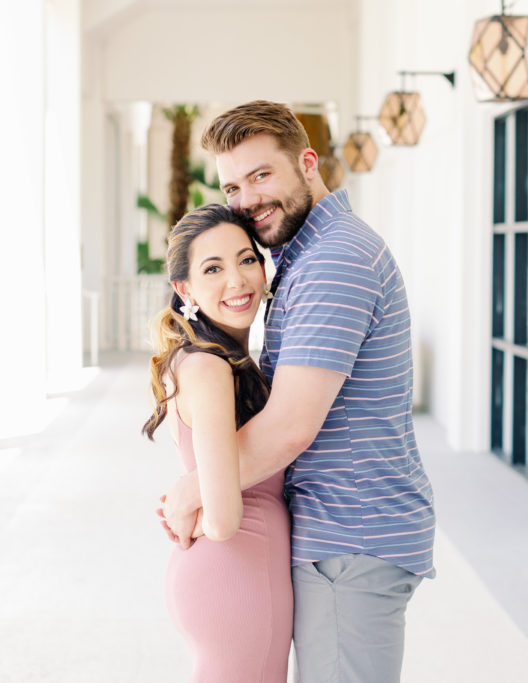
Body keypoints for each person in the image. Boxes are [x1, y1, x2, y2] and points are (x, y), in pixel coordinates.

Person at [162, 100, 436, 683]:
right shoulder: (304, 254)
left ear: (307, 163)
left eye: (262, 175)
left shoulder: (333, 259)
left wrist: (195, 488)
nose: (248, 198)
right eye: (233, 185)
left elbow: (290, 425)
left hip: (351, 532)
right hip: (339, 533)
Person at [143, 203, 292, 682]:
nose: (238, 279)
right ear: (183, 288)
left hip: (233, 577)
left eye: (247, 259)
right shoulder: (208, 368)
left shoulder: (212, 360)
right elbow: (225, 520)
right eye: (214, 268)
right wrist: (200, 498)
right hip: (236, 579)